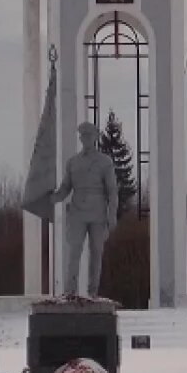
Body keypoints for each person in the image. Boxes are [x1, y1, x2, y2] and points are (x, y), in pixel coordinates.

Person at [52, 121, 118, 296]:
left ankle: (93, 292)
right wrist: (52, 197)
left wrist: (112, 215)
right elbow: (66, 187)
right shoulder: (72, 162)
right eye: (83, 135)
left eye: (89, 135)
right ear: (80, 138)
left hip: (98, 212)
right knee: (74, 251)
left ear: (95, 137)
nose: (85, 138)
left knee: (96, 253)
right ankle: (70, 292)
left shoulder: (105, 162)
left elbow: (112, 191)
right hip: (77, 212)